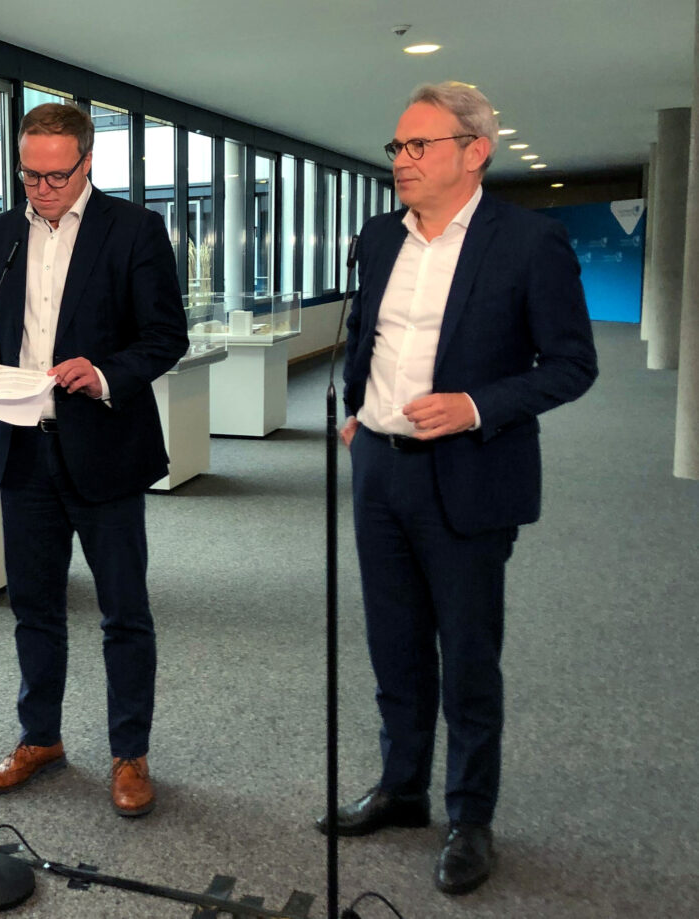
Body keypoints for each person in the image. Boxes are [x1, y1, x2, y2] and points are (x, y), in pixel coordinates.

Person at [319, 83, 598, 894]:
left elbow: (573, 364)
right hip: (378, 468)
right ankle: (403, 789)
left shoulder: (529, 241)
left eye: (419, 146)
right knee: (393, 646)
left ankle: (470, 815)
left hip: (471, 474)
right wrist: (355, 410)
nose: (401, 161)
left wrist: (476, 405)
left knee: (469, 657)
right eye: (396, 148)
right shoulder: (377, 238)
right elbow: (368, 333)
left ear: (475, 151)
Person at [0, 103, 188, 817]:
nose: (43, 188)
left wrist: (106, 370)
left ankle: (129, 753)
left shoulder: (136, 230)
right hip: (22, 447)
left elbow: (165, 335)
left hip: (105, 448)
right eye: (31, 174)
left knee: (123, 610)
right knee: (33, 606)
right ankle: (40, 737)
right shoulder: (0, 231)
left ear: (89, 162)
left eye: (58, 175)